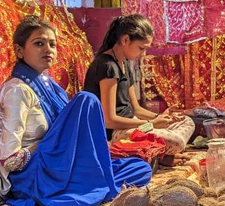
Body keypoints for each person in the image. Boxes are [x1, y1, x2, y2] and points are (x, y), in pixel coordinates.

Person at [0, 16, 152, 206]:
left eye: (52, 44)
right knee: (86, 100)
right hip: (34, 175)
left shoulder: (51, 86)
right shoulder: (17, 91)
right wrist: (49, 142)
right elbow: (10, 161)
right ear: (19, 51)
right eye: (39, 43)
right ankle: (79, 189)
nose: (48, 49)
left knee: (140, 169)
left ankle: (82, 187)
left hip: (58, 163)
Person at [83, 14, 195, 155]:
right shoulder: (107, 66)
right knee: (177, 142)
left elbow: (136, 109)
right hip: (116, 133)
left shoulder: (124, 63)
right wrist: (150, 125)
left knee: (187, 121)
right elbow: (109, 120)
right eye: (141, 48)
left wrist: (159, 117)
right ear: (125, 40)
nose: (143, 54)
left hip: (133, 124)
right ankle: (157, 154)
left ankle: (156, 153)